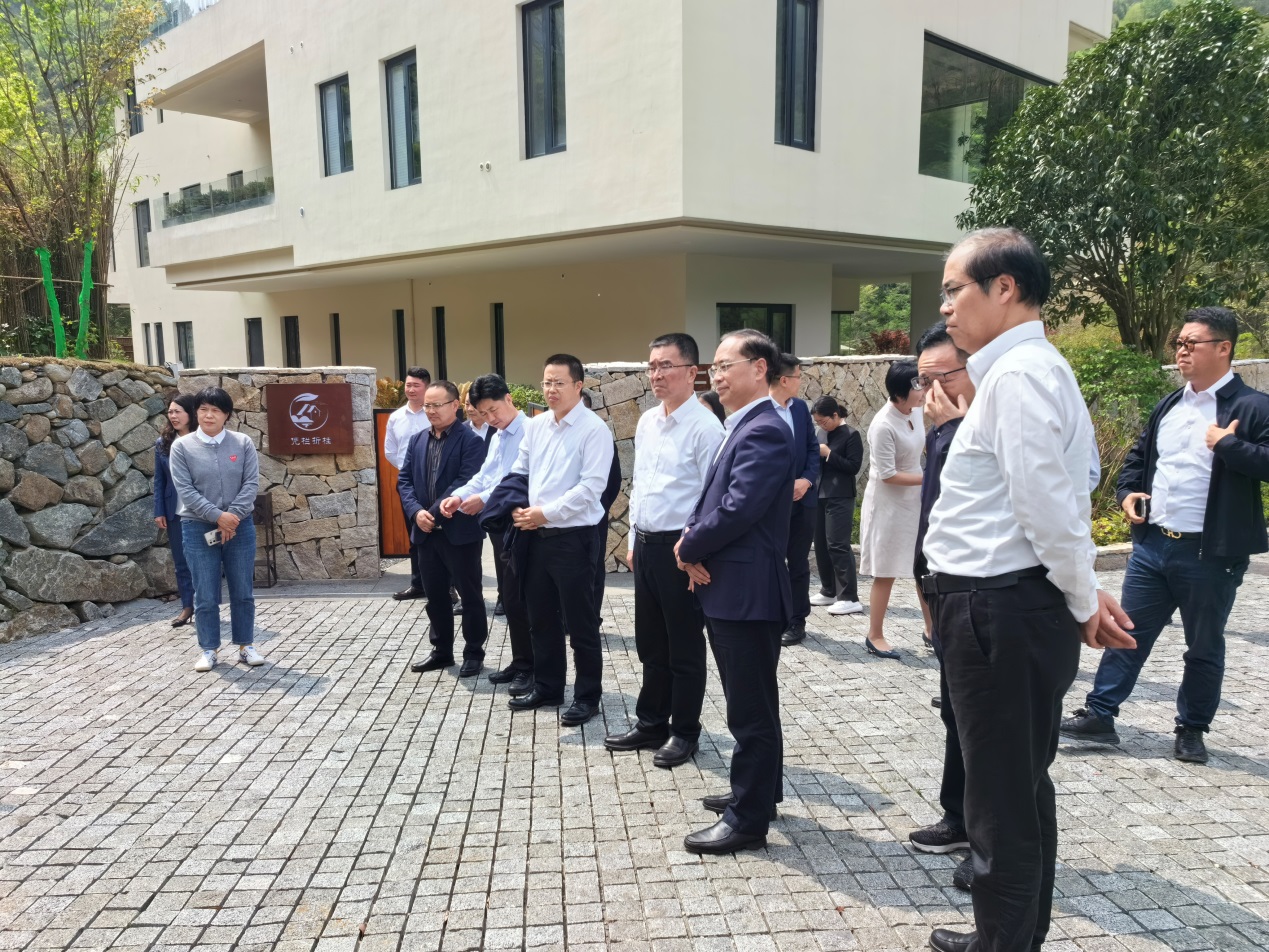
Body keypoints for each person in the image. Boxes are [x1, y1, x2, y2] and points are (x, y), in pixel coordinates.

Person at [921, 227, 1134, 952]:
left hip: (997, 608)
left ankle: (1003, 943)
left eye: (954, 289)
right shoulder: (1028, 371)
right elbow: (1066, 493)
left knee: (999, 798)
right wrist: (1080, 592)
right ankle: (1010, 935)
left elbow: (1046, 505)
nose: (944, 306)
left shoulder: (1017, 377)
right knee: (1017, 784)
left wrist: (1082, 598)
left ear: (1004, 287)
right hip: (1004, 605)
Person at [1062, 306, 1269, 764]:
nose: (1181, 351)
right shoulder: (1171, 404)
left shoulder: (1253, 407)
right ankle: (1100, 714)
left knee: (1204, 646)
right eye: (1179, 343)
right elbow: (1138, 457)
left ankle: (1192, 728)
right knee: (1127, 631)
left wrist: (1228, 445)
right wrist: (1127, 494)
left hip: (1210, 553)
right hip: (1153, 545)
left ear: (1224, 348)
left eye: (1191, 343)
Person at [676, 328, 794, 855]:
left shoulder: (764, 429)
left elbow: (738, 508)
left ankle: (748, 820)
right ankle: (759, 795)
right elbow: (714, 500)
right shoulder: (742, 424)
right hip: (730, 586)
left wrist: (688, 546)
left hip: (747, 592)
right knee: (752, 702)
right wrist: (691, 540)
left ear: (760, 368)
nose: (717, 375)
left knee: (749, 710)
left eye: (727, 365)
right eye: (715, 366)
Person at [605, 333, 724, 768]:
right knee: (651, 643)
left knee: (684, 647)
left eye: (666, 366)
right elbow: (642, 485)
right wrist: (634, 538)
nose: (656, 374)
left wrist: (694, 552)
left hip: (682, 550)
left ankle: (685, 731)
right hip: (647, 546)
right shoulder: (648, 422)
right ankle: (651, 721)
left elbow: (713, 498)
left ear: (692, 372)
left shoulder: (706, 428)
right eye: (652, 366)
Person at [904, 322, 977, 892]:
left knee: (985, 727)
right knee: (955, 713)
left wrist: (951, 428)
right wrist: (925, 590)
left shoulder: (981, 427)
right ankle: (958, 817)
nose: (930, 392)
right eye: (923, 381)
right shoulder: (943, 429)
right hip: (944, 590)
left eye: (942, 378)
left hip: (988, 598)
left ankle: (989, 841)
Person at [504, 354, 615, 727]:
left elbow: (591, 489)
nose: (550, 390)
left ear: (578, 386)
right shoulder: (536, 426)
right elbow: (519, 471)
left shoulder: (593, 430)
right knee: (541, 617)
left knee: (580, 622)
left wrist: (545, 513)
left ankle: (587, 696)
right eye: (546, 382)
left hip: (574, 539)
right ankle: (548, 687)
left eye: (558, 383)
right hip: (534, 537)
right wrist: (517, 507)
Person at [440, 375, 531, 692]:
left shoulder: (531, 432)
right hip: (502, 524)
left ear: (509, 399)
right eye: (483, 413)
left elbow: (518, 478)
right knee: (511, 597)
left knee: (525, 599)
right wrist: (460, 495)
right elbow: (485, 476)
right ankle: (522, 660)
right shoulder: (499, 435)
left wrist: (483, 498)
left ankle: (532, 668)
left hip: (525, 523)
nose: (491, 418)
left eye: (494, 410)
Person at [168, 386, 264, 673]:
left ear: (227, 415)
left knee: (242, 590)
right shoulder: (182, 447)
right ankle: (209, 649)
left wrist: (232, 517)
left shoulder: (242, 443)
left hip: (239, 527)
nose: (208, 415)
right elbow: (185, 490)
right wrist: (218, 516)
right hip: (197, 527)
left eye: (216, 410)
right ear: (196, 413)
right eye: (203, 409)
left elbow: (251, 483)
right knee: (205, 593)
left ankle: (246, 646)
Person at [399, 381, 489, 677]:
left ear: (455, 405)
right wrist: (416, 513)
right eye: (427, 405)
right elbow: (404, 481)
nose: (431, 411)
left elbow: (466, 481)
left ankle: (474, 652)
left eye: (437, 405)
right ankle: (441, 651)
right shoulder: (417, 440)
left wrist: (433, 513)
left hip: (459, 532)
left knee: (470, 595)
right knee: (436, 596)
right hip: (426, 534)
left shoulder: (471, 441)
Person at [857, 360, 924, 659]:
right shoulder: (883, 424)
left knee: (923, 566)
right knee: (886, 571)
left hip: (915, 498)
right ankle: (875, 634)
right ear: (899, 392)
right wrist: (929, 478)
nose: (923, 390)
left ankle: (932, 629)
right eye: (917, 385)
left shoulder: (916, 409)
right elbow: (888, 475)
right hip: (889, 503)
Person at [770, 354, 821, 647]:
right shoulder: (759, 409)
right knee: (772, 561)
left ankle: (797, 620)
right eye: (799, 376)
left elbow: (813, 448)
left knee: (798, 563)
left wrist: (806, 480)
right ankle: (773, 615)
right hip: (771, 504)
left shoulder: (800, 408)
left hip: (803, 501)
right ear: (784, 380)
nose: (801, 382)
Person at [808, 396, 863, 616]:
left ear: (835, 415)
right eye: (818, 422)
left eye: (824, 421)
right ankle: (828, 590)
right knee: (821, 544)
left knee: (838, 544)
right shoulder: (820, 434)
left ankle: (849, 597)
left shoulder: (851, 435)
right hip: (819, 494)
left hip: (840, 495)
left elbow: (853, 467)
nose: (821, 425)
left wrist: (829, 454)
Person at [384, 367, 432, 602]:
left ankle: (449, 586)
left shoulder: (434, 414)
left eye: (416, 385)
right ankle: (418, 584)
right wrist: (408, 469)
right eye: (408, 385)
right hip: (408, 483)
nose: (411, 390)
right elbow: (390, 451)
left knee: (442, 536)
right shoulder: (396, 417)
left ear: (427, 387)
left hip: (435, 482)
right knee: (414, 536)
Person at [153, 393, 200, 628]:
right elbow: (159, 480)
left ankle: (206, 606)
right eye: (170, 412)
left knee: (203, 561)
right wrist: (159, 510)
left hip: (201, 510)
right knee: (181, 562)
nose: (173, 416)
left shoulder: (203, 439)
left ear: (190, 414)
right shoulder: (163, 443)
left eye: (177, 411)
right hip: (175, 511)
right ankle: (187, 607)